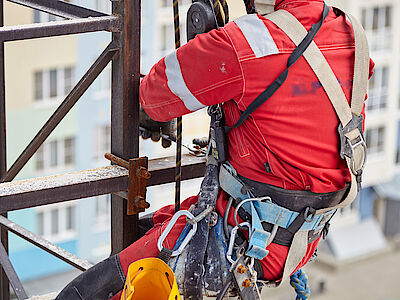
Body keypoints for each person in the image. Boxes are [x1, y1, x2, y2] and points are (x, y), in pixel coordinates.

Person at [56, 0, 374, 299]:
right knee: (145, 228)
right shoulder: (352, 34)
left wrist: (210, 45)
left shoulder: (248, 41)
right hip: (301, 233)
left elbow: (154, 96)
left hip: (246, 237)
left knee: (86, 292)